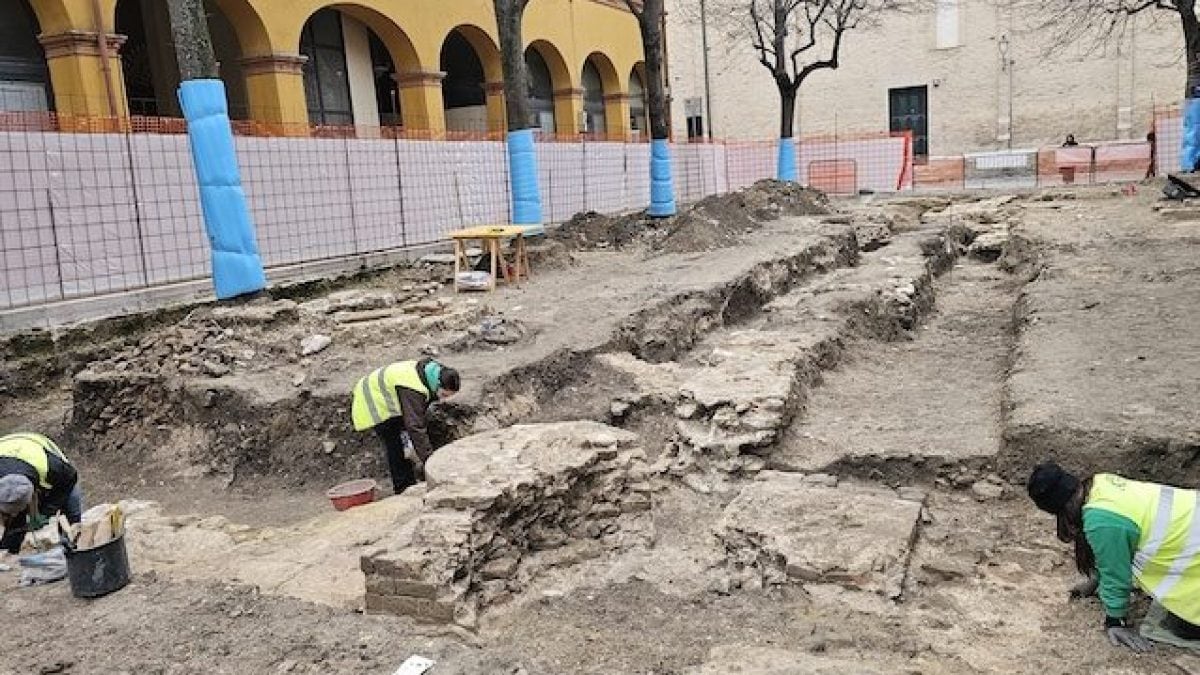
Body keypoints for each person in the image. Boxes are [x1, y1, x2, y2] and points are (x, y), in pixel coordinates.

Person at [1027, 462, 1200, 653]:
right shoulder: (1101, 483)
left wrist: (1116, 621)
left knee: (1184, 624)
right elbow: (1117, 545)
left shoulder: (1101, 523)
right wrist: (1096, 579)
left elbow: (1116, 573)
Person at [351, 359, 460, 495]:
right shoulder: (413, 389)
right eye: (443, 395)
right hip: (374, 400)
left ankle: (411, 479)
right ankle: (402, 488)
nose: (443, 400)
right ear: (437, 384)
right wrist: (431, 462)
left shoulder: (433, 373)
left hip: (390, 395)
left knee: (407, 440)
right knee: (394, 445)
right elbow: (415, 427)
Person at [0, 432, 82, 557]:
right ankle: (10, 552)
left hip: (41, 449)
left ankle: (74, 549)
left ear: (34, 493)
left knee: (72, 503)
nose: (14, 514)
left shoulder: (54, 469)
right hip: (9, 451)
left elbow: (71, 480)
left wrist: (46, 511)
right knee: (16, 521)